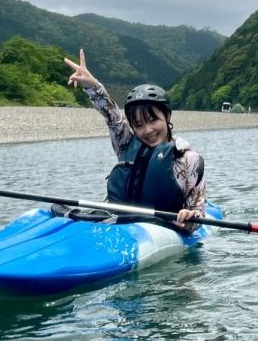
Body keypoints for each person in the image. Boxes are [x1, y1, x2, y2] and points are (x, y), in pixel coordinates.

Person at [64, 48, 205, 229]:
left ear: (167, 116)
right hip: (119, 224)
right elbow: (112, 116)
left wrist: (190, 217)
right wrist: (92, 86)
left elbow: (198, 211)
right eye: (138, 125)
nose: (147, 130)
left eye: (153, 120)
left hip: (165, 229)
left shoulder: (188, 159)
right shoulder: (126, 143)